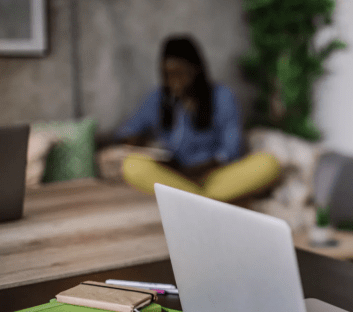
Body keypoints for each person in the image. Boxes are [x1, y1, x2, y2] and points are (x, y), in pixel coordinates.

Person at [116, 35, 280, 202]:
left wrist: (198, 171)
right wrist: (138, 141)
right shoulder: (157, 99)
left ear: (195, 69)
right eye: (167, 75)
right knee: (132, 165)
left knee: (267, 163)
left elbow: (231, 150)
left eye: (179, 74)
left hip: (213, 176)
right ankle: (205, 201)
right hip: (175, 177)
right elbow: (127, 132)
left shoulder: (222, 97)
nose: (173, 82)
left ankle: (194, 200)